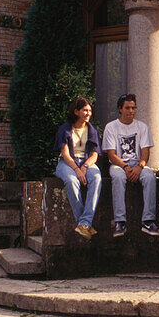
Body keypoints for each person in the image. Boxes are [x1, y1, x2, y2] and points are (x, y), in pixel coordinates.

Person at [102, 93, 159, 237]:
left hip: (137, 165)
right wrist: (126, 168)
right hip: (119, 165)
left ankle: (148, 221)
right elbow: (111, 154)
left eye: (133, 108)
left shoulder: (142, 127)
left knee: (150, 177)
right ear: (120, 109)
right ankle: (120, 222)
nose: (131, 111)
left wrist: (139, 167)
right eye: (127, 108)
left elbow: (145, 152)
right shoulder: (111, 127)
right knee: (118, 177)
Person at [54, 96, 102, 240]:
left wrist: (85, 167)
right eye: (85, 110)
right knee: (71, 181)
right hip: (67, 163)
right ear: (76, 111)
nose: (88, 113)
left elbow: (95, 155)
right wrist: (77, 169)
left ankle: (84, 223)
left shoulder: (92, 130)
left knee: (97, 178)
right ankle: (84, 223)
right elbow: (66, 155)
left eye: (90, 110)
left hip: (87, 162)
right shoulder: (65, 129)